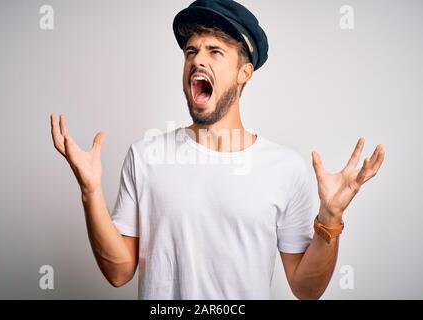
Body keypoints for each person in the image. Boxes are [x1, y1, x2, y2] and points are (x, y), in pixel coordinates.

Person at [50, 0, 385, 299]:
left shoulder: (286, 169)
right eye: (191, 51)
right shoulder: (145, 157)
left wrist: (330, 219)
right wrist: (90, 191)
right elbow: (119, 272)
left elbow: (306, 289)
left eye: (215, 51)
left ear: (244, 73)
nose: (198, 60)